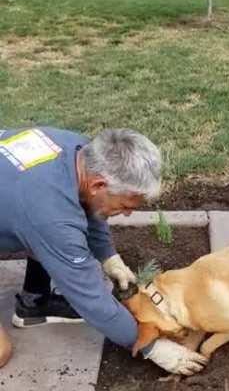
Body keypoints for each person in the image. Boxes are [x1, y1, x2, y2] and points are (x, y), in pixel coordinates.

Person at [0, 126, 207, 375]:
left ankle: (35, 303)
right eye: (124, 205)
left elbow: (88, 206)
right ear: (99, 184)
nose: (128, 213)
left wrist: (110, 257)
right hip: (32, 205)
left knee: (45, 234)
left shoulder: (80, 152)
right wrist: (149, 345)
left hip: (20, 196)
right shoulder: (50, 215)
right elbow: (90, 297)